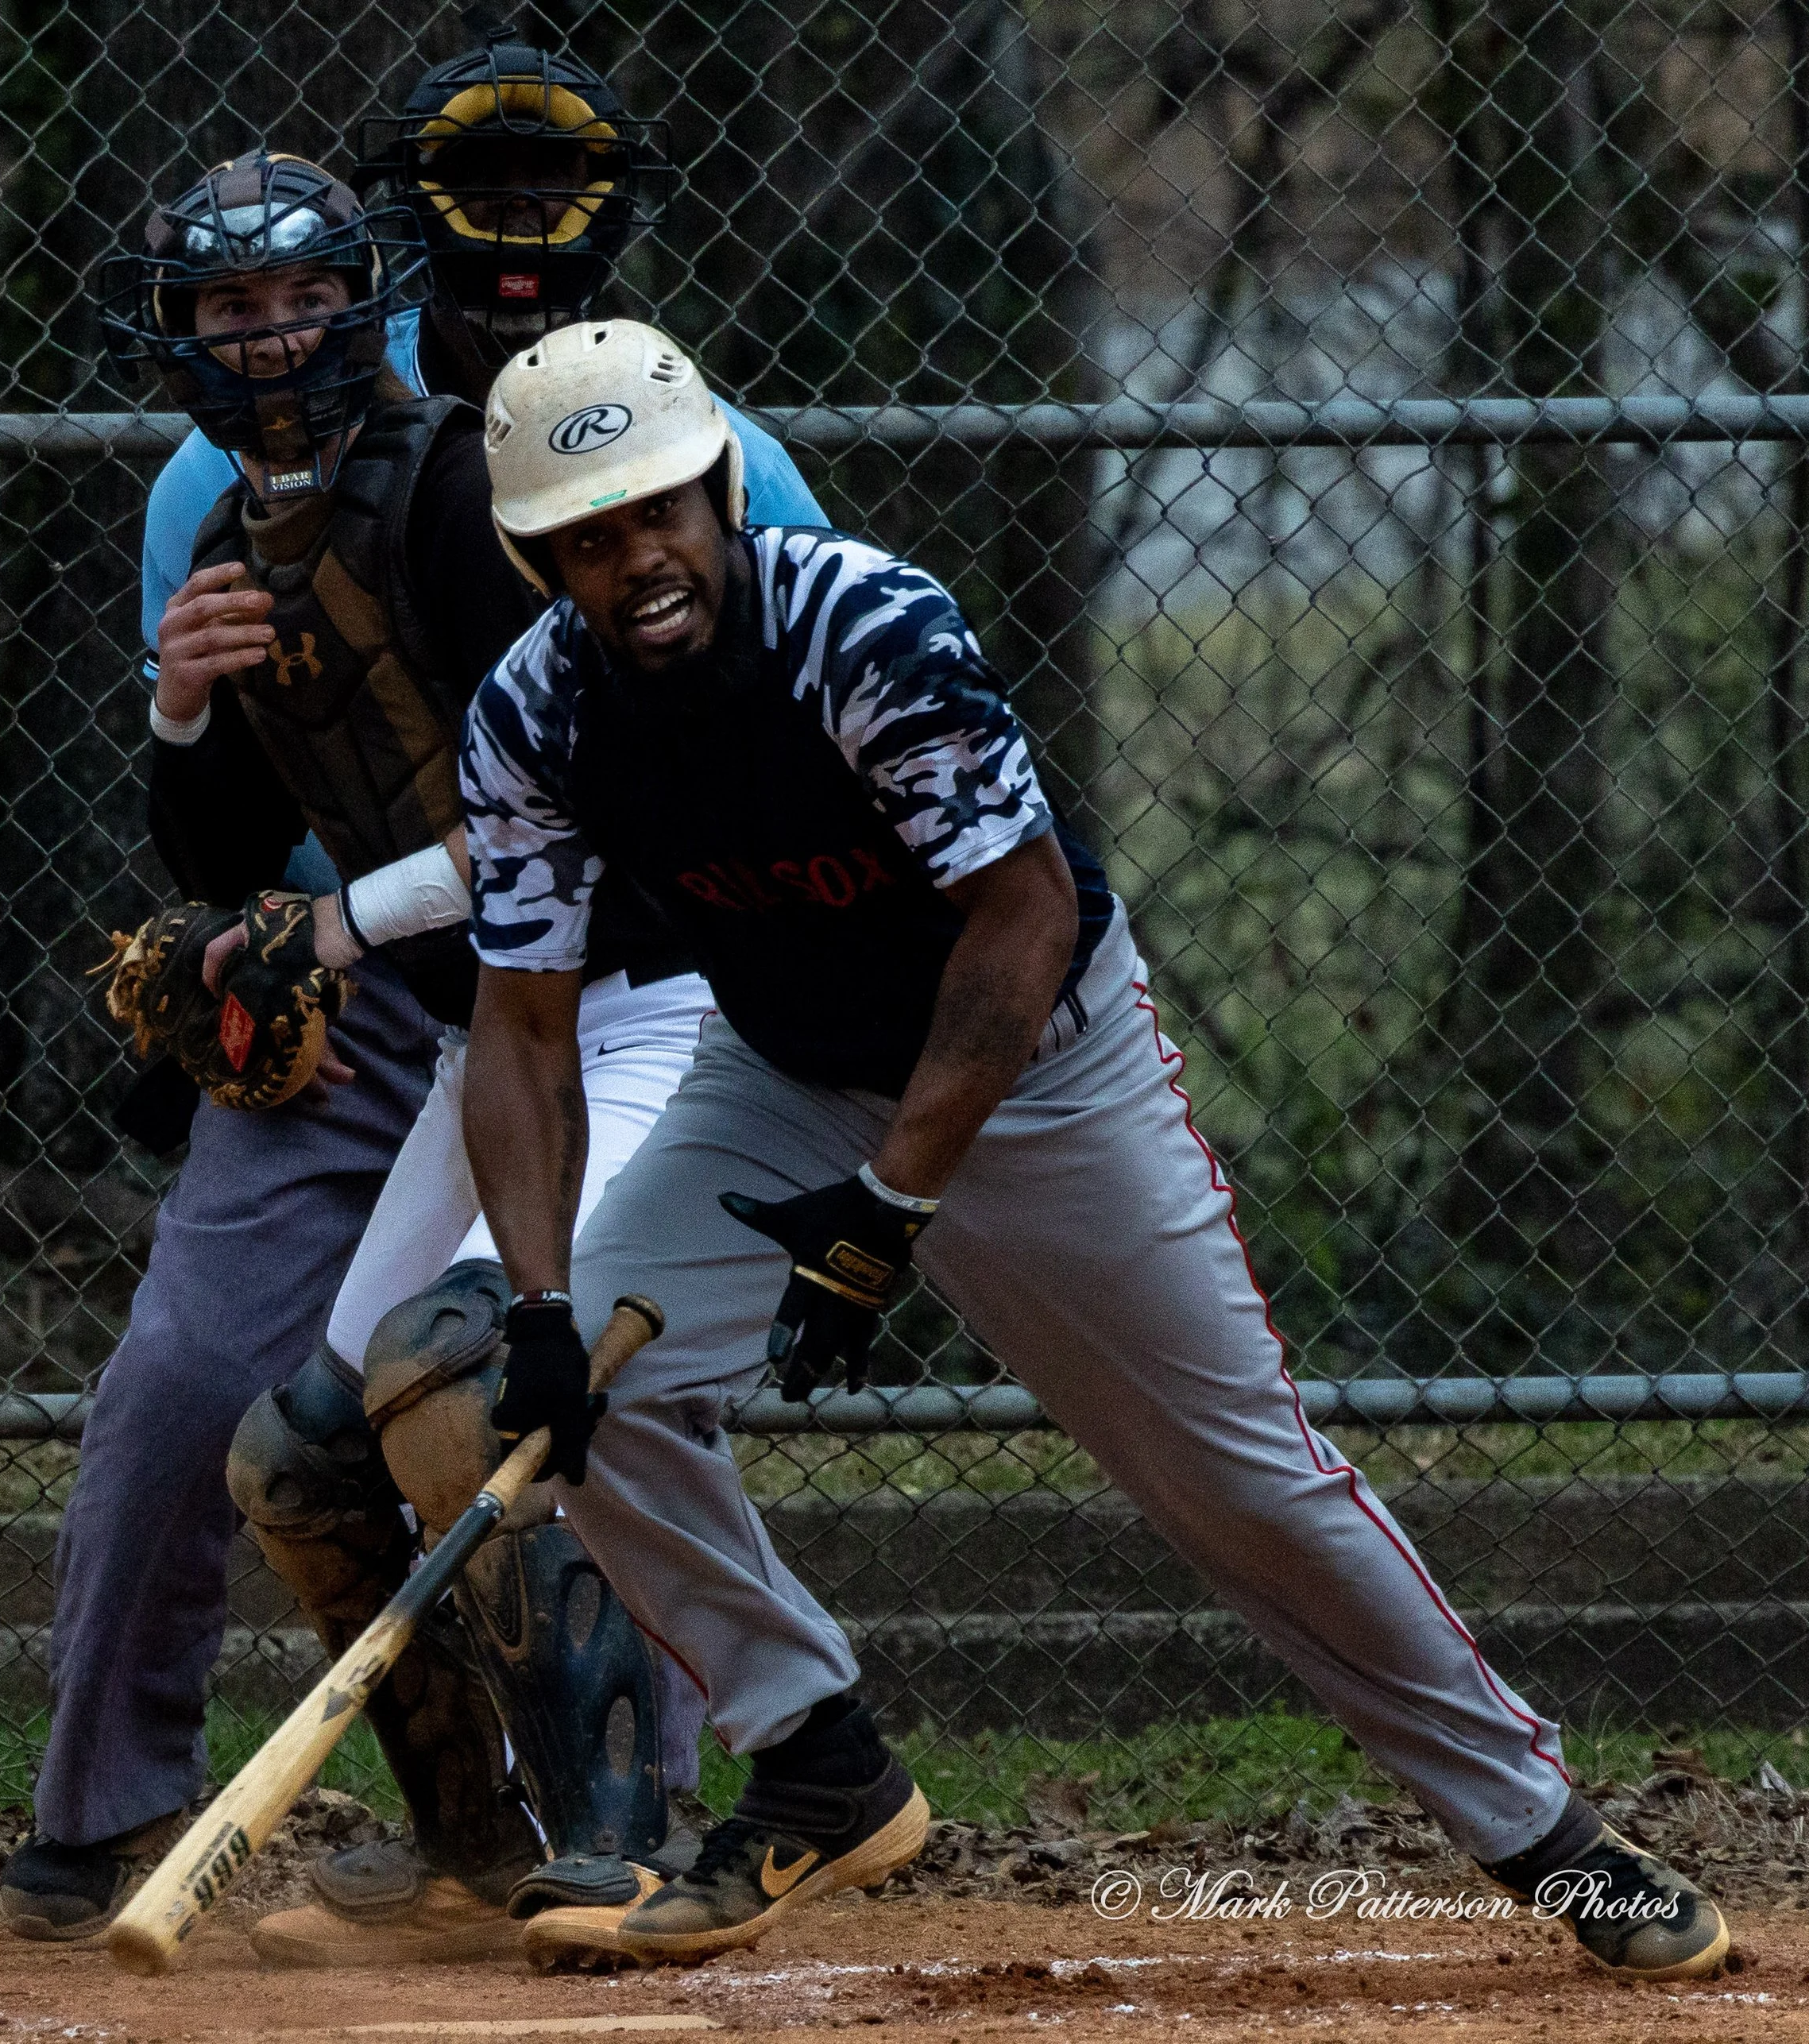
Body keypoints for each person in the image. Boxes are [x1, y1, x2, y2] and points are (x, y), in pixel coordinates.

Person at [453, 319, 1734, 1980]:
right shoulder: (533, 715)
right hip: (781, 1076)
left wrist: (893, 1202)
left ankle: (1548, 1835)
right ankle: (818, 1761)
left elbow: (1022, 914)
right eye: (585, 538)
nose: (633, 564)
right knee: (592, 1395)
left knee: (1231, 1480)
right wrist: (546, 1308)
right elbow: (522, 1030)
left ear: (714, 491)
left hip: (1041, 1071)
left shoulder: (863, 625)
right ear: (536, 557)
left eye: (653, 515)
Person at [0, 29, 826, 1955]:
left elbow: (572, 810)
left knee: (472, 1371)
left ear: (371, 290)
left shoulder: (477, 495)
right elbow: (228, 832)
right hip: (462, 1012)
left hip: (634, 989)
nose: (270, 336)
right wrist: (184, 705)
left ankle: (626, 1831)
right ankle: (476, 1841)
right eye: (227, 301)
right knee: (294, 1441)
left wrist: (332, 923)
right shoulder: (214, 514)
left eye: (305, 294)